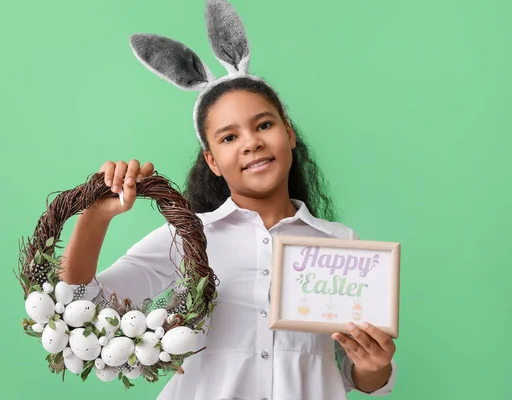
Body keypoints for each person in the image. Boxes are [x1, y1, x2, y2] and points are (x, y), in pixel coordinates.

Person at [59, 1, 397, 399]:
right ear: (213, 161)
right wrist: (96, 217)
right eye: (229, 137)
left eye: (264, 125)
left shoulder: (341, 246)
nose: (252, 142)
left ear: (289, 134)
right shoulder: (188, 238)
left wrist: (375, 366)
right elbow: (82, 302)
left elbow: (349, 372)